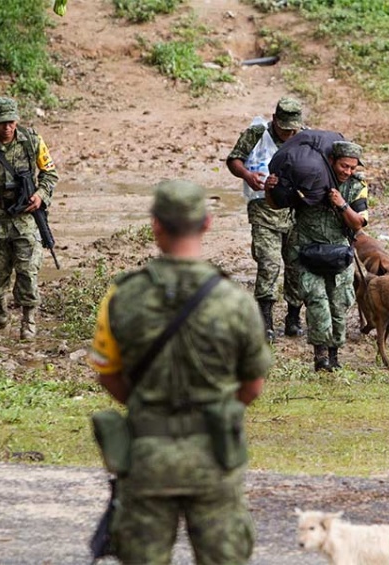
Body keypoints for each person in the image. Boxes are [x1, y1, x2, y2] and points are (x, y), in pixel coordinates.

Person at [87, 179, 272, 564]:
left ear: (155, 225)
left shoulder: (122, 296)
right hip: (213, 453)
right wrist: (217, 408)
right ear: (206, 223)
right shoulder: (235, 301)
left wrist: (145, 403)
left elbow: (107, 373)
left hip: (146, 456)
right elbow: (252, 384)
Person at [268, 141, 368, 371]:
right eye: (344, 166)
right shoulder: (308, 179)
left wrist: (341, 204)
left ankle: (334, 355)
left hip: (339, 254)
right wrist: (269, 189)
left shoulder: (356, 186)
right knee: (316, 302)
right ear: (332, 161)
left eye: (352, 167)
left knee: (339, 304)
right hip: (308, 251)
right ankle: (320, 357)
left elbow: (359, 223)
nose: (347, 171)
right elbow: (278, 204)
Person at [0, 96, 58, 339]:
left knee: (28, 271)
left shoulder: (33, 142)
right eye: (1, 123)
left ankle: (28, 319)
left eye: (10, 122)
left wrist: (40, 195)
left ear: (16, 120)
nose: (6, 127)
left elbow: (50, 173)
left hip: (25, 218)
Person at [226, 97, 305, 343]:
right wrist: (248, 176)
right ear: (274, 121)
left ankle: (293, 317)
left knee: (296, 265)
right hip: (263, 208)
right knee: (269, 262)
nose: (289, 134)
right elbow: (233, 159)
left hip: (295, 211)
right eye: (284, 129)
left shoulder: (305, 137)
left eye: (294, 129)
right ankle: (265, 321)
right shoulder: (257, 133)